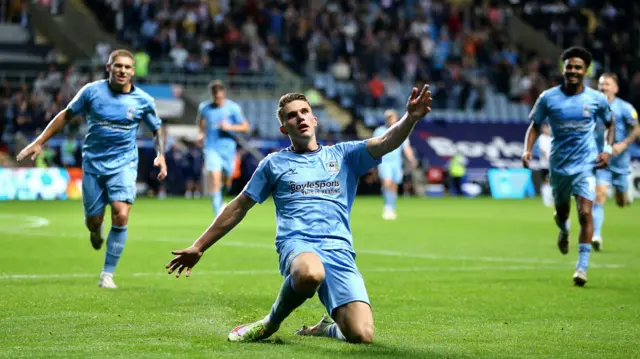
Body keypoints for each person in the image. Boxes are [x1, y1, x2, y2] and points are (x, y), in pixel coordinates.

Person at [165, 86, 433, 343]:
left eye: (304, 111)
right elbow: (238, 206)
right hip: (298, 245)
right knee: (310, 273)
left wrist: (409, 117)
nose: (300, 117)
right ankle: (270, 322)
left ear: (314, 119)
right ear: (284, 128)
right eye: (292, 115)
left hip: (339, 250)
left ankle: (326, 328)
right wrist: (200, 246)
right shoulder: (273, 164)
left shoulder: (343, 155)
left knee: (362, 335)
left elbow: (386, 141)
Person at [17, 49, 168, 289]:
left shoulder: (142, 101)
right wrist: (39, 141)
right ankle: (95, 232)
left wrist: (161, 155)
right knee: (94, 221)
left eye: (128, 67)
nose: (123, 70)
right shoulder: (91, 92)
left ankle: (107, 274)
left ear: (132, 72)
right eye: (118, 66)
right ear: (109, 68)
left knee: (121, 212)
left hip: (124, 163)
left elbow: (157, 128)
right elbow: (66, 115)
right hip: (93, 164)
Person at [522, 47, 614, 287]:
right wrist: (527, 149)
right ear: (563, 69)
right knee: (563, 213)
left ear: (585, 71)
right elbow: (534, 126)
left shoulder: (596, 99)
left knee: (585, 213)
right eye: (569, 66)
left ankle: (582, 268)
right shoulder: (548, 98)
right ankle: (563, 230)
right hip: (559, 166)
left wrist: (608, 149)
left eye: (578, 67)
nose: (573, 71)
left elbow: (610, 123)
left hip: (586, 165)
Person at [592, 73, 640, 251]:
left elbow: (636, 130)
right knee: (599, 196)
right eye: (601, 84)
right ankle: (596, 235)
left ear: (616, 88)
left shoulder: (625, 108)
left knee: (621, 202)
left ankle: (625, 195)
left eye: (607, 84)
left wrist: (623, 144)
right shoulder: (593, 106)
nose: (603, 87)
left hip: (620, 162)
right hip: (600, 161)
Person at [197, 80, 250, 217]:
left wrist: (230, 127)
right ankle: (217, 214)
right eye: (216, 98)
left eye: (221, 97)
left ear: (224, 94)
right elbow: (201, 122)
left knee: (227, 180)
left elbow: (245, 127)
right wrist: (201, 134)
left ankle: (221, 199)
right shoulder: (204, 107)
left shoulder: (233, 108)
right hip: (211, 148)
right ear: (212, 96)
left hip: (228, 149)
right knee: (214, 178)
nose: (218, 100)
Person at [372, 109, 418, 220]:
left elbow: (406, 147)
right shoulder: (380, 131)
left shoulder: (401, 131)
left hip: (396, 162)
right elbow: (373, 145)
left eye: (392, 117)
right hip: (384, 161)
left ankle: (391, 207)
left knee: (394, 185)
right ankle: (387, 207)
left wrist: (412, 159)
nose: (390, 119)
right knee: (387, 182)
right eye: (388, 117)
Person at [537, 123, 554, 207]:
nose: (547, 130)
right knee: (546, 181)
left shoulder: (551, 138)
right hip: (545, 164)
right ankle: (546, 199)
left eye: (548, 128)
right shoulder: (541, 138)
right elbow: (543, 150)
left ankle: (551, 198)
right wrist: (547, 158)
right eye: (545, 128)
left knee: (552, 182)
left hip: (553, 164)